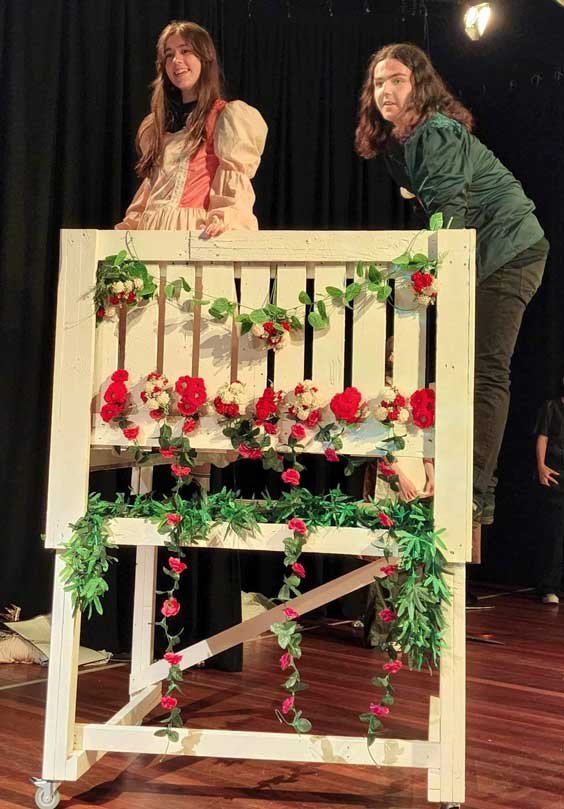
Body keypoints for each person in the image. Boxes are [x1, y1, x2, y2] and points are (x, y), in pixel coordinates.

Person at [355, 43, 549, 554]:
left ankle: (475, 494)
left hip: (509, 250)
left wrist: (435, 276)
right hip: (481, 257)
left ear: (420, 84)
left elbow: (448, 211)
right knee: (454, 364)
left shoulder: (434, 132)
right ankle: (442, 467)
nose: (386, 91)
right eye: (378, 84)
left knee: (487, 370)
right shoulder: (402, 144)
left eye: (397, 80)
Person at [116, 20, 267, 235]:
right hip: (151, 233)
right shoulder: (156, 124)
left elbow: (233, 186)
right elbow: (151, 189)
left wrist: (224, 219)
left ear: (204, 58)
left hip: (193, 232)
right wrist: (129, 228)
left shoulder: (226, 118)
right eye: (169, 55)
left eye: (185, 51)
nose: (176, 60)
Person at [534, 386, 564, 604]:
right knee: (555, 535)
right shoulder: (552, 406)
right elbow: (542, 437)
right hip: (556, 474)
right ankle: (548, 587)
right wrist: (541, 466)